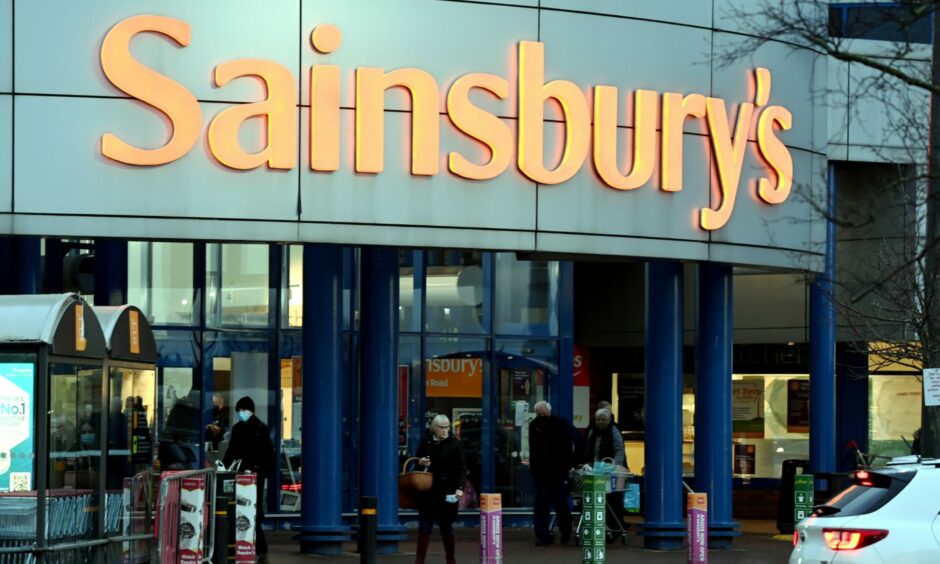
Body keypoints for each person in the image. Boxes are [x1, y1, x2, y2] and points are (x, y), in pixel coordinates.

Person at [222, 396, 274, 562]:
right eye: (239, 411)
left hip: (254, 475)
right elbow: (231, 451)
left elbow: (268, 453)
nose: (241, 413)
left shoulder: (260, 428)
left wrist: (261, 470)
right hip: (242, 474)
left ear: (251, 411)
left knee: (252, 509)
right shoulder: (238, 428)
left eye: (243, 410)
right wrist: (223, 465)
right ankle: (255, 547)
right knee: (246, 509)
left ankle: (258, 547)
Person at [414, 414, 467, 564]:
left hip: (447, 490)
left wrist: (459, 488)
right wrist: (421, 461)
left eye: (447, 427)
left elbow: (461, 469)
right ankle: (419, 560)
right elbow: (416, 462)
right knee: (424, 525)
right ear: (434, 428)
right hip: (427, 490)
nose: (444, 430)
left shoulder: (455, 444)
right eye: (441, 427)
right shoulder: (426, 442)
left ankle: (450, 559)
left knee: (446, 526)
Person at [528, 400, 580, 546]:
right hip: (545, 471)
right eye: (539, 413)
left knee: (559, 503)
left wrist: (573, 462)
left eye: (543, 413)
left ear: (548, 411)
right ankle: (545, 535)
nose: (541, 415)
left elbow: (574, 437)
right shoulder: (537, 425)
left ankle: (564, 531)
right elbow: (533, 449)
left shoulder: (557, 423)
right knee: (544, 504)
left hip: (558, 470)